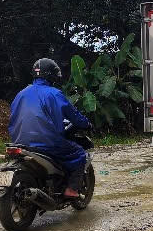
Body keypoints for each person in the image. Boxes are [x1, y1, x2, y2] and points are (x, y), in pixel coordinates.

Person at [9, 58, 92, 198]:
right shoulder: (54, 94)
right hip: (47, 143)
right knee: (79, 154)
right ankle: (71, 189)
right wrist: (87, 124)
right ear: (52, 75)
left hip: (19, 142)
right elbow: (74, 116)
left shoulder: (20, 93)